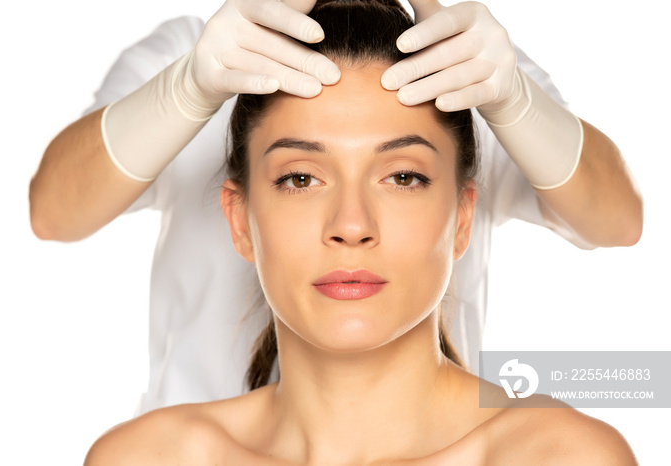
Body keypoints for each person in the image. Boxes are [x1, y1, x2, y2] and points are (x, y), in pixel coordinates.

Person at [83, 2, 637, 463]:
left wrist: (516, 98)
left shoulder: (559, 456)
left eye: (403, 176)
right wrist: (182, 89)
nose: (352, 226)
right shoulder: (146, 456)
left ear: (462, 219)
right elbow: (53, 208)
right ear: (240, 221)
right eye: (300, 178)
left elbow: (619, 217)